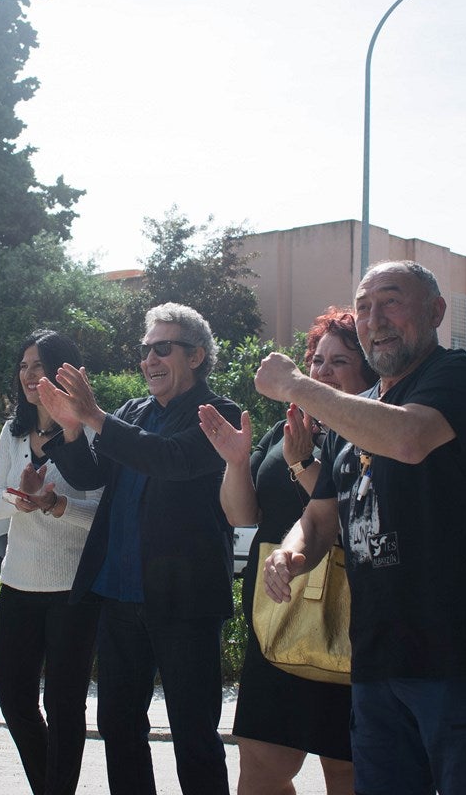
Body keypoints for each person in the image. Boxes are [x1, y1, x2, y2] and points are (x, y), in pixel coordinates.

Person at [256, 261, 466, 795]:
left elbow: (408, 439)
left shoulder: (459, 377)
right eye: (363, 308)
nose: (374, 319)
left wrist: (296, 385)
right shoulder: (348, 413)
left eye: (390, 302)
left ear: (435, 312)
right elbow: (318, 518)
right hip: (378, 661)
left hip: (462, 658)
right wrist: (290, 554)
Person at [35, 303, 240, 795]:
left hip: (184, 602)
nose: (149, 359)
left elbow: (170, 460)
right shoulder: (130, 412)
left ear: (196, 356)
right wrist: (71, 427)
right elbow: (89, 478)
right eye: (145, 349)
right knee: (119, 726)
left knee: (194, 733)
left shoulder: (220, 413)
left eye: (162, 348)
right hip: (119, 598)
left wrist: (95, 416)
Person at [199, 307, 377, 795]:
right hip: (276, 613)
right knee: (260, 770)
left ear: (366, 375)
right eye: (316, 360)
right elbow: (241, 516)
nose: (320, 371)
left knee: (346, 770)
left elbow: (348, 512)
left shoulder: (369, 433)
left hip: (345, 617)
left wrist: (302, 465)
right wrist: (236, 463)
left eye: (338, 362)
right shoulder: (283, 431)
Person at [0, 330, 103, 795]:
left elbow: (99, 520)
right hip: (18, 584)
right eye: (24, 365)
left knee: (64, 704)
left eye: (40, 365)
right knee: (12, 698)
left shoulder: (90, 432)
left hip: (74, 592)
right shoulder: (12, 433)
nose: (30, 375)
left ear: (63, 372)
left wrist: (55, 506)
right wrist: (23, 501)